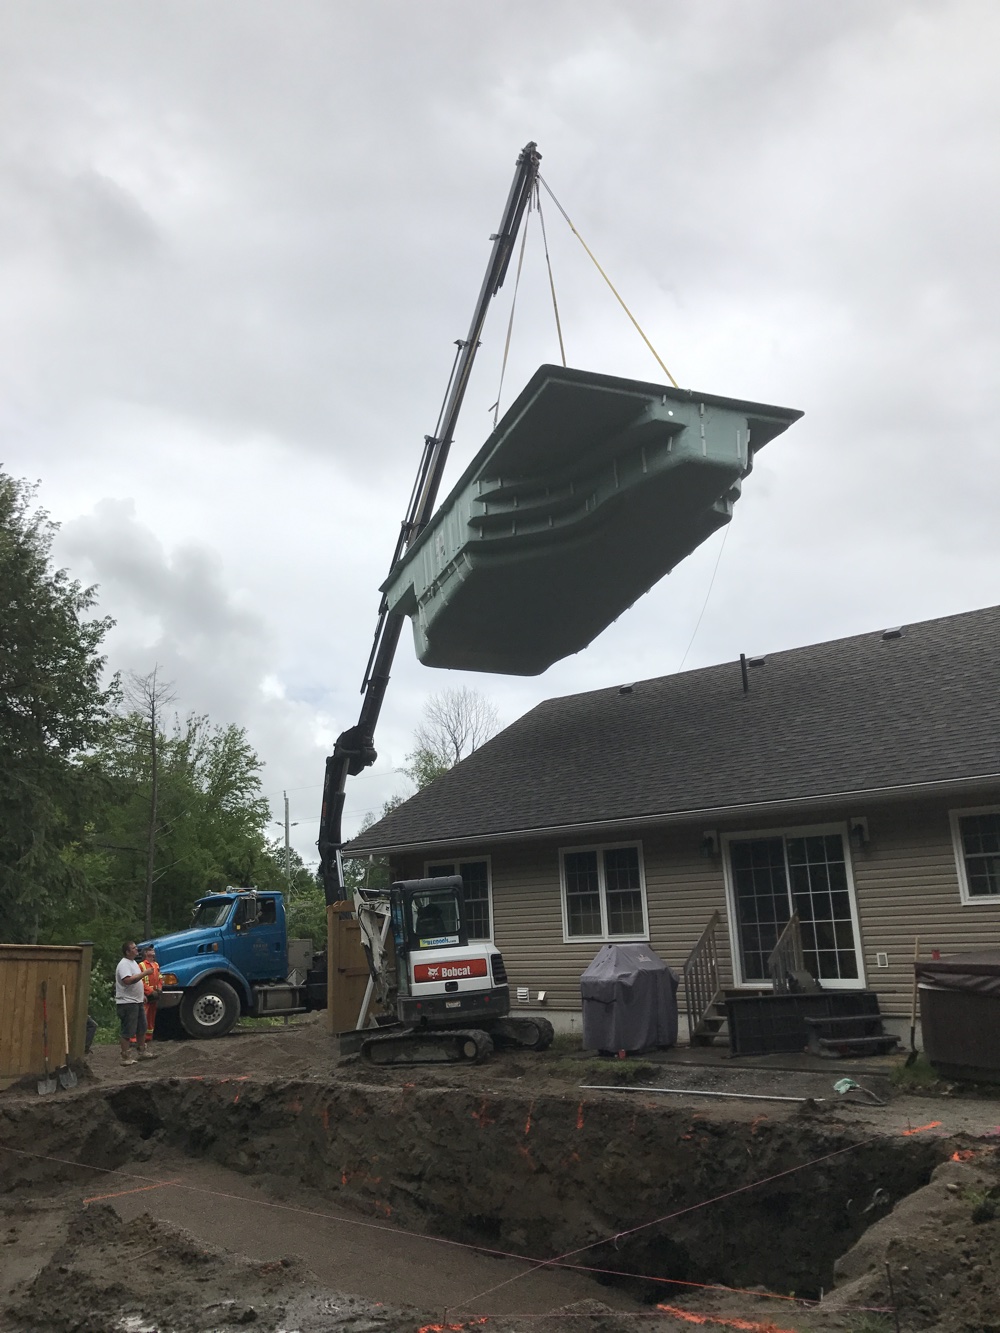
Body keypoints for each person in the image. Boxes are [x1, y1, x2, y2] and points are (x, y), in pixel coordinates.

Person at [115, 941, 154, 1066]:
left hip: (136, 1001)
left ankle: (142, 1051)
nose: (136, 949)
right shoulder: (123, 964)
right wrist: (145, 973)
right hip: (127, 1002)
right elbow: (127, 980)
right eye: (133, 948)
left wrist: (142, 995)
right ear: (127, 952)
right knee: (128, 1030)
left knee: (142, 1027)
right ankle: (125, 1056)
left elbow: (137, 982)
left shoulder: (133, 963)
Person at [140, 946, 162, 1045]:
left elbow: (160, 977)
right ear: (145, 953)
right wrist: (149, 991)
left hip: (155, 993)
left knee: (151, 1016)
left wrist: (160, 988)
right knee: (143, 1016)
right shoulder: (141, 965)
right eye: (150, 950)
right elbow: (140, 980)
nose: (153, 952)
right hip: (145, 994)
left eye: (153, 951)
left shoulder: (156, 964)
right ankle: (138, 1038)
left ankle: (148, 1036)